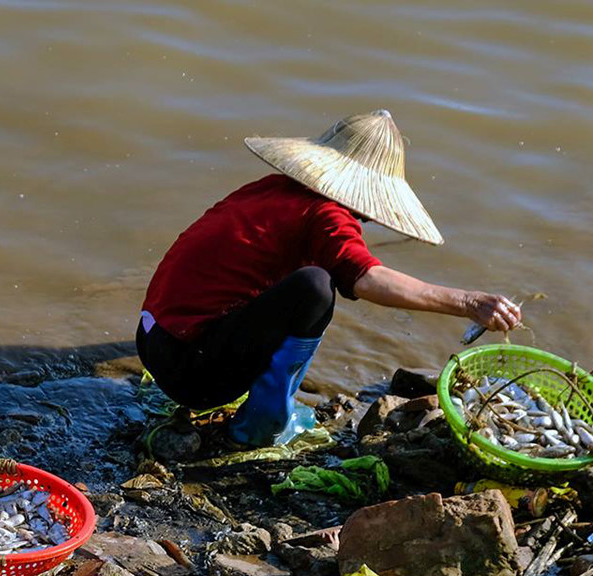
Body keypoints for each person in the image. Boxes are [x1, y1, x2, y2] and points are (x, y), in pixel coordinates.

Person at [138, 110, 522, 446]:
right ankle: (262, 425)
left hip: (153, 338)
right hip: (189, 374)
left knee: (299, 283)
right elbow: (368, 280)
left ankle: (257, 399)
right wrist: (469, 303)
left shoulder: (270, 189)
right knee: (315, 287)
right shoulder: (326, 216)